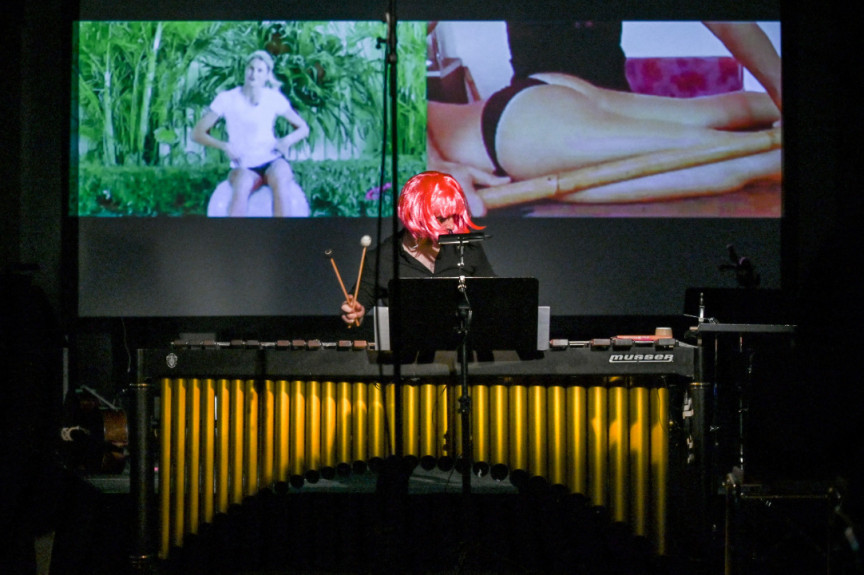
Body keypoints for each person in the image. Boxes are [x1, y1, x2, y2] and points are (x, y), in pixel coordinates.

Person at [426, 21, 783, 215]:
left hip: (533, 115)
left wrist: (432, 162)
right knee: (736, 148)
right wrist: (432, 164)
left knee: (737, 150)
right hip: (537, 109)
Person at [340, 171, 495, 327]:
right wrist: (353, 313)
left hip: (459, 348)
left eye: (454, 216)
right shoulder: (381, 259)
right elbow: (356, 307)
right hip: (408, 349)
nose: (451, 226)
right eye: (441, 218)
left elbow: (495, 297)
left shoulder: (468, 248)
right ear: (415, 217)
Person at [192, 50, 310, 217]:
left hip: (271, 159)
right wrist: (224, 146)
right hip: (244, 164)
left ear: (267, 75)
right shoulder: (227, 98)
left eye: (260, 70)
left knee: (281, 178)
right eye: (251, 68)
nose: (254, 74)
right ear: (245, 70)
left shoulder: (274, 98)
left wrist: (287, 140)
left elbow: (303, 128)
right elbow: (197, 133)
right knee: (242, 186)